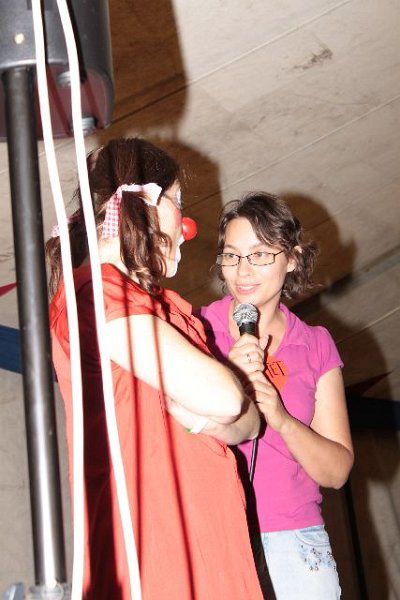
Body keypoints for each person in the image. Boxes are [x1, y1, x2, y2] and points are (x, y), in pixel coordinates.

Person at [46, 138, 265, 600]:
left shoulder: (168, 309)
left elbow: (249, 422)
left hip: (209, 541)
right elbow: (227, 398)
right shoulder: (94, 292)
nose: (186, 227)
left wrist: (206, 420)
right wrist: (218, 412)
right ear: (144, 201)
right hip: (154, 551)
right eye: (177, 201)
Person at [199, 192, 354, 600]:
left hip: (296, 541)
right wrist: (229, 378)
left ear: (293, 259)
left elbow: (336, 471)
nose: (243, 270)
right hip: (214, 534)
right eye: (232, 255)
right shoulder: (195, 329)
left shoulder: (315, 344)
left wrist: (281, 419)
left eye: (260, 255)